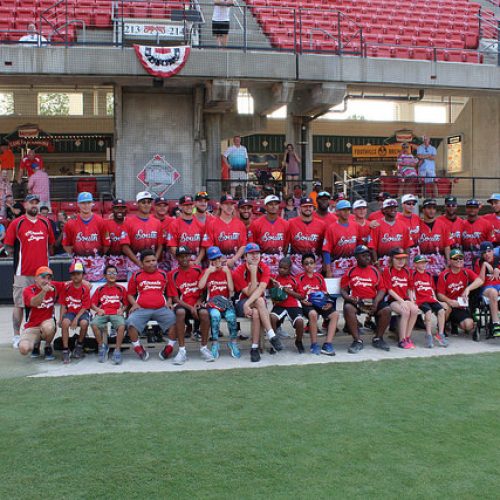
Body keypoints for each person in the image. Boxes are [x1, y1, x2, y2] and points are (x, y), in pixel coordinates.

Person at [4, 194, 55, 348]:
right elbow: (8, 246)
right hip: (23, 272)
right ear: (24, 205)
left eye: (36, 203)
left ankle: (42, 337)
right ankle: (16, 336)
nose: (34, 205)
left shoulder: (45, 222)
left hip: (43, 274)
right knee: (19, 305)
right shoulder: (16, 223)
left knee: (44, 304)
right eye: (31, 202)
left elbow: (51, 245)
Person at [232, 243, 283, 362]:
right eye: (251, 253)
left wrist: (247, 304)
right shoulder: (238, 271)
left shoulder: (264, 267)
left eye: (257, 253)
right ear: (245, 256)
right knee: (259, 300)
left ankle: (254, 348)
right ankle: (271, 335)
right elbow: (249, 293)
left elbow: (261, 289)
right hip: (241, 302)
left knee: (256, 311)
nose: (255, 256)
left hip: (255, 304)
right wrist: (254, 273)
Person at [340, 245, 391, 353]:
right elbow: (343, 290)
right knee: (348, 308)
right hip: (357, 301)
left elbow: (382, 289)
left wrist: (376, 301)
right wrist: (349, 298)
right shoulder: (351, 271)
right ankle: (357, 341)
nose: (367, 258)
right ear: (357, 257)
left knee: (387, 310)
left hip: (372, 301)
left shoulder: (375, 271)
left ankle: (378, 338)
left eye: (368, 255)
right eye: (364, 256)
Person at [127, 249, 176, 361]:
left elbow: (170, 292)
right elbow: (130, 294)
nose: (152, 263)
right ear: (142, 263)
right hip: (142, 309)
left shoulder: (164, 274)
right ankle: (138, 348)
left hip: (161, 308)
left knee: (175, 320)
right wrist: (134, 304)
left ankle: (169, 347)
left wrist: (169, 302)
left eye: (154, 260)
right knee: (130, 322)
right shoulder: (136, 275)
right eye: (148, 261)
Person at [168, 246, 214, 365]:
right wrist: (190, 308)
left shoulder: (198, 270)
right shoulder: (173, 274)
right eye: (181, 256)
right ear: (176, 258)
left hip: (196, 304)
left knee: (204, 313)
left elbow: (203, 292)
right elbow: (175, 298)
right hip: (183, 304)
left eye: (186, 256)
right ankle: (182, 351)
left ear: (190, 257)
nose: (184, 258)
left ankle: (204, 348)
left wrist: (198, 302)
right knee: (180, 312)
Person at [198, 246, 240, 359]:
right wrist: (208, 272)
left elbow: (231, 290)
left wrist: (227, 273)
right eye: (213, 259)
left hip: (226, 302)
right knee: (215, 316)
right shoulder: (207, 271)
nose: (217, 261)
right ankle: (215, 343)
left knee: (231, 316)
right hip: (213, 303)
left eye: (218, 258)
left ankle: (233, 342)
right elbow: (200, 286)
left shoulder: (227, 271)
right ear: (209, 261)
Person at [297, 253, 339, 355]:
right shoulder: (299, 278)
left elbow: (325, 293)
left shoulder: (319, 277)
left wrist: (328, 303)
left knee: (335, 314)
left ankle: (327, 344)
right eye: (306, 263)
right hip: (308, 304)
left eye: (311, 263)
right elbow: (298, 295)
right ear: (302, 265)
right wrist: (303, 301)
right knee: (313, 314)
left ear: (315, 264)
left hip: (320, 304)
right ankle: (314, 344)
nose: (309, 265)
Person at [18, 266, 64, 360]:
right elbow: (34, 303)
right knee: (24, 349)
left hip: (47, 323)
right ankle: (36, 345)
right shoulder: (28, 290)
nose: (46, 281)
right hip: (32, 326)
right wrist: (44, 291)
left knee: (49, 327)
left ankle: (47, 346)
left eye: (49, 278)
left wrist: (84, 282)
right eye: (43, 277)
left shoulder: (54, 286)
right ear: (36, 278)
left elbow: (69, 284)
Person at [62, 192, 109, 281]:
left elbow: (106, 245)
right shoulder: (70, 223)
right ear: (78, 204)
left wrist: (97, 255)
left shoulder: (101, 221)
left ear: (92, 204)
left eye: (88, 202)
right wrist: (78, 254)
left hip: (97, 267)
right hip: (79, 267)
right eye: (83, 203)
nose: (86, 205)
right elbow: (66, 245)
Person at [437, 248, 483, 339]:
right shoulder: (444, 275)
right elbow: (439, 294)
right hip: (448, 304)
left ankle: (455, 323)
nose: (459, 260)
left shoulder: (466, 272)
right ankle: (442, 327)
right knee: (446, 308)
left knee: (468, 326)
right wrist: (449, 301)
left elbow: (480, 280)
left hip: (460, 305)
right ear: (450, 261)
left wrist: (468, 289)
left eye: (460, 258)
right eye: (455, 258)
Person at [91, 264, 128, 365]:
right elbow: (92, 303)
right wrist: (98, 309)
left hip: (116, 313)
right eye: (109, 273)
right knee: (94, 324)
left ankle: (117, 350)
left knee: (121, 325)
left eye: (114, 273)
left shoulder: (121, 289)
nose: (112, 275)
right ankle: (102, 346)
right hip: (103, 313)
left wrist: (122, 309)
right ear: (104, 276)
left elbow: (126, 304)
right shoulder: (100, 289)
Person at [383, 248, 419, 349]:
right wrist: (402, 301)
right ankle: (401, 340)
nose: (401, 261)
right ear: (392, 259)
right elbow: (389, 290)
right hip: (393, 300)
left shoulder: (407, 271)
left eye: (403, 258)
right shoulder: (388, 270)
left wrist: (412, 300)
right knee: (405, 311)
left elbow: (410, 288)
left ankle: (407, 337)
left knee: (415, 309)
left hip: (404, 299)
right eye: (398, 258)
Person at [269, 257, 305, 353]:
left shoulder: (294, 280)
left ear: (289, 269)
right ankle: (274, 342)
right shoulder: (275, 279)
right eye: (280, 267)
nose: (282, 270)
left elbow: (302, 296)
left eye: (285, 268)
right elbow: (265, 278)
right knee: (272, 317)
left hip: (293, 305)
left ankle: (298, 341)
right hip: (280, 305)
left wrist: (289, 291)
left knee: (300, 322)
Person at [122, 191, 163, 275]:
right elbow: (124, 246)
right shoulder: (128, 222)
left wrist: (154, 261)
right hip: (134, 266)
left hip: (152, 266)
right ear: (137, 204)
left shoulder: (157, 222)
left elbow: (160, 245)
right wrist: (139, 263)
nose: (146, 205)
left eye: (149, 202)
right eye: (143, 202)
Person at [411, 254, 447, 348]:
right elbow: (411, 289)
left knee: (441, 311)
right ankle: (429, 335)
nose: (423, 264)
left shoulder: (428, 274)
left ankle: (440, 334)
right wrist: (413, 300)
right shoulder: (413, 274)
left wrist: (437, 301)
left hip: (430, 298)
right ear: (415, 264)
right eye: (420, 263)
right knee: (428, 311)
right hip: (420, 300)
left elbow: (431, 289)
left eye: (424, 262)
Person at [58, 261, 91, 364]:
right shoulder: (66, 287)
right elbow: (63, 304)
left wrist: (76, 319)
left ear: (83, 275)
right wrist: (60, 318)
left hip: (82, 312)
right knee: (64, 323)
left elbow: (85, 307)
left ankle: (79, 345)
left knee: (84, 323)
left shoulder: (85, 289)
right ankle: (65, 349)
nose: (76, 276)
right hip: (71, 312)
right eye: (73, 274)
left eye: (78, 274)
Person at [248, 194, 289, 275]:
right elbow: (253, 243)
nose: (273, 206)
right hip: (263, 258)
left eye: (276, 204)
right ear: (266, 206)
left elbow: (286, 244)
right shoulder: (256, 223)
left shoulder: (285, 223)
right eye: (270, 204)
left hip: (279, 258)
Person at [204, 194, 247, 269]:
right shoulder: (212, 224)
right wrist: (219, 259)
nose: (229, 206)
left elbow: (243, 246)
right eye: (226, 204)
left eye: (231, 204)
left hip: (236, 261)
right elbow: (208, 246)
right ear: (220, 206)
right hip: (217, 261)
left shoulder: (240, 224)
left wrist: (233, 260)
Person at [368, 198, 412, 268]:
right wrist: (376, 262)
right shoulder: (376, 225)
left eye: (394, 207)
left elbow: (407, 245)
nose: (393, 210)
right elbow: (372, 247)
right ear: (384, 210)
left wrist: (406, 261)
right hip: (383, 262)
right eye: (389, 208)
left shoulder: (403, 225)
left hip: (399, 262)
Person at [323, 200, 361, 279]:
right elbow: (326, 251)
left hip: (353, 265)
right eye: (344, 210)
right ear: (337, 212)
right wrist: (328, 270)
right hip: (337, 266)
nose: (347, 212)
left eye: (348, 210)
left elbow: (359, 247)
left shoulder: (355, 226)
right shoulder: (331, 228)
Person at [166, 195, 207, 267]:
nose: (189, 207)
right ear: (180, 206)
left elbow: (203, 246)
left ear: (194, 205)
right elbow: (172, 247)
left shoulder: (200, 225)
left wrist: (197, 261)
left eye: (190, 204)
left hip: (195, 262)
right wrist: (184, 260)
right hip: (179, 262)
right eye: (186, 205)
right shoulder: (174, 224)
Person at [288, 197, 326, 275]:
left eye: (310, 206)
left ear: (313, 208)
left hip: (315, 261)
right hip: (296, 262)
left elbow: (324, 245)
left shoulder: (322, 224)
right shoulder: (291, 223)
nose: (308, 208)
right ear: (300, 208)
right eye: (305, 206)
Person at [418, 198, 452, 276]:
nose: (431, 211)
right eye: (429, 208)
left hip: (439, 264)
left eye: (434, 208)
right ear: (423, 210)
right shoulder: (418, 225)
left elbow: (447, 245)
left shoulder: (443, 225)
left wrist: (449, 262)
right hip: (423, 265)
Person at [460, 199, 494, 268]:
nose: (472, 209)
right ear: (466, 209)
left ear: (478, 209)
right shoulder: (461, 224)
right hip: (465, 261)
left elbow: (490, 245)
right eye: (470, 207)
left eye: (474, 207)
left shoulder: (487, 224)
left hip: (481, 259)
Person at [475, 241, 500, 336]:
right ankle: (496, 324)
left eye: (489, 251)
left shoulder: (498, 260)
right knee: (493, 292)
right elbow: (479, 280)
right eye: (484, 252)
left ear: (493, 251)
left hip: (498, 286)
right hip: (486, 287)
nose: (487, 254)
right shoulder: (479, 262)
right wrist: (484, 265)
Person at [105, 199, 129, 280]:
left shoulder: (130, 223)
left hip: (127, 262)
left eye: (122, 208)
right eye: (117, 208)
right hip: (111, 262)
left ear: (126, 209)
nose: (120, 210)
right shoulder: (106, 224)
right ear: (112, 209)